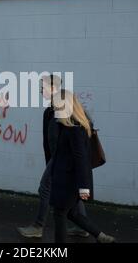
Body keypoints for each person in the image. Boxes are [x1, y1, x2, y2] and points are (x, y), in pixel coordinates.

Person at [49, 89, 115, 243]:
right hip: (66, 178)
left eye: (56, 106)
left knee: (59, 213)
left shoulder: (75, 129)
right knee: (73, 213)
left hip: (69, 180)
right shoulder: (67, 125)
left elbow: (82, 159)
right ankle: (101, 236)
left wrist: (84, 187)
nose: (54, 110)